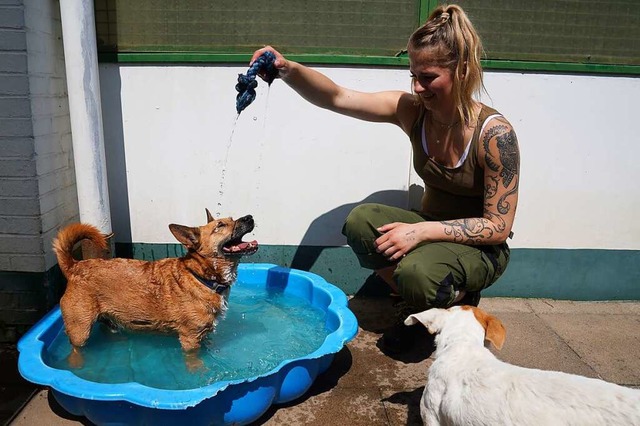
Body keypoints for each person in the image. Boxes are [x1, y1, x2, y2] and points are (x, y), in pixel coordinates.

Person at [250, 4, 519, 353]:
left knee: (416, 273)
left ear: (462, 70)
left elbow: (498, 225)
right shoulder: (411, 111)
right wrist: (289, 70)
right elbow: (337, 97)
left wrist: (419, 231)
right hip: (433, 228)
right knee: (361, 223)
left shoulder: (495, 135)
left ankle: (454, 299)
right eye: (414, 75)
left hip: (482, 249)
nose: (418, 87)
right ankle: (429, 302)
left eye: (429, 77)